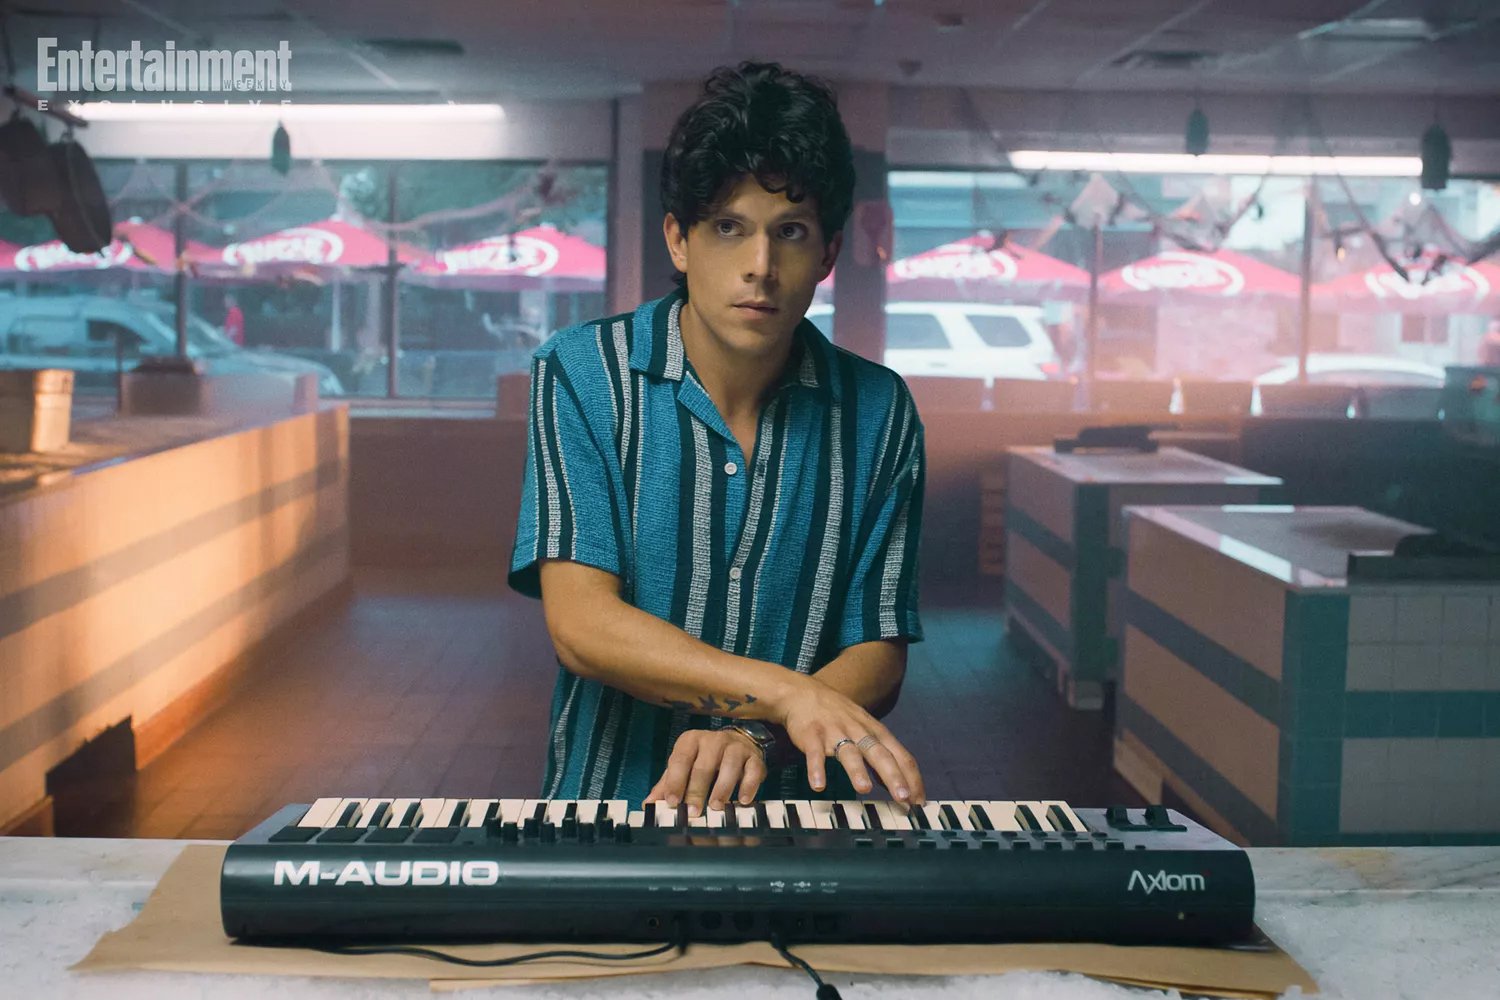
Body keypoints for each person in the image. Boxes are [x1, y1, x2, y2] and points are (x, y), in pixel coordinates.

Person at [508, 62, 927, 817]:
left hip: (803, 819)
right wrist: (782, 696)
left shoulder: (880, 410)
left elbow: (880, 648)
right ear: (679, 239)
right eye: (729, 227)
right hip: (611, 812)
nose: (759, 266)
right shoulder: (581, 374)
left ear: (828, 255)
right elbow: (581, 626)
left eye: (789, 233)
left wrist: (757, 736)